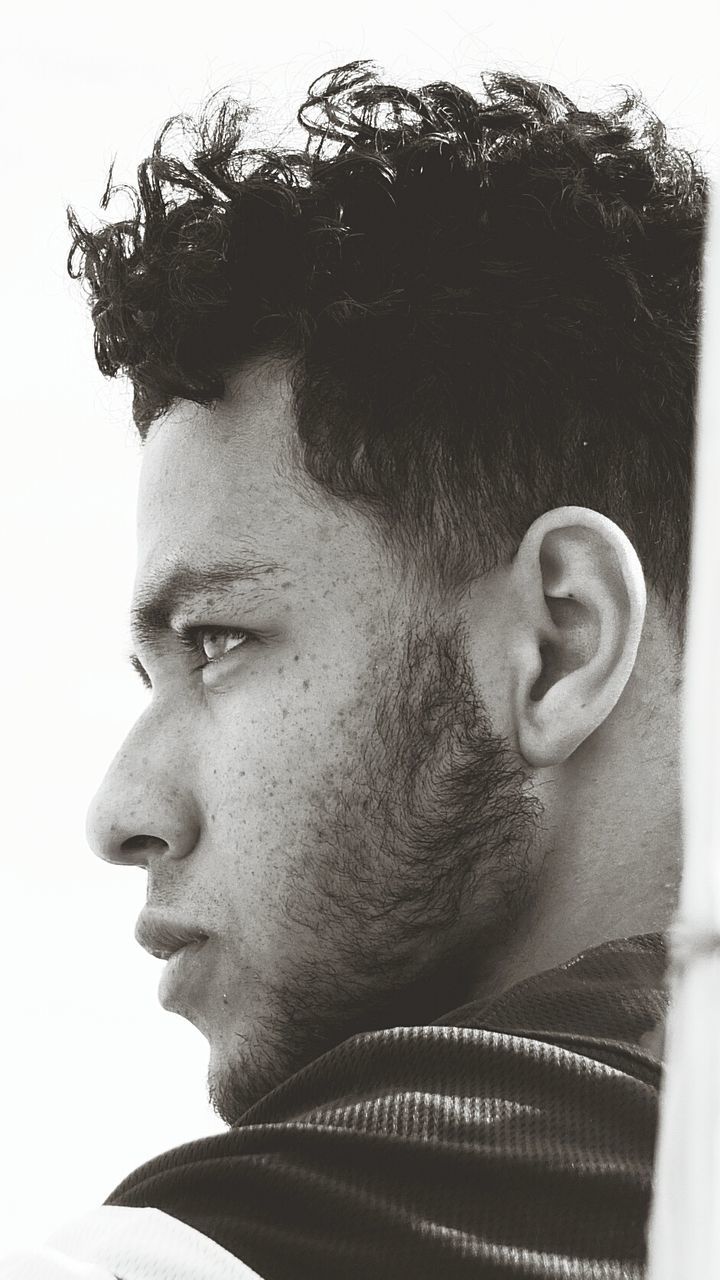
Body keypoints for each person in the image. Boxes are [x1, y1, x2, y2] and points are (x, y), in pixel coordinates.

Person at [3, 60, 705, 1279]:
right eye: (144, 675)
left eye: (219, 643)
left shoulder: (217, 1256)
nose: (124, 812)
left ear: (559, 642)